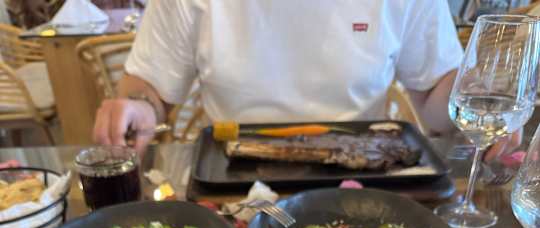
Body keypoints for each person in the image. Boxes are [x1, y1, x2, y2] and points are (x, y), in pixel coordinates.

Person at [93, 0, 519, 159]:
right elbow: (149, 91)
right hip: (231, 175)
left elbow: (434, 100)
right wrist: (138, 106)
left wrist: (479, 105)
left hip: (363, 174)